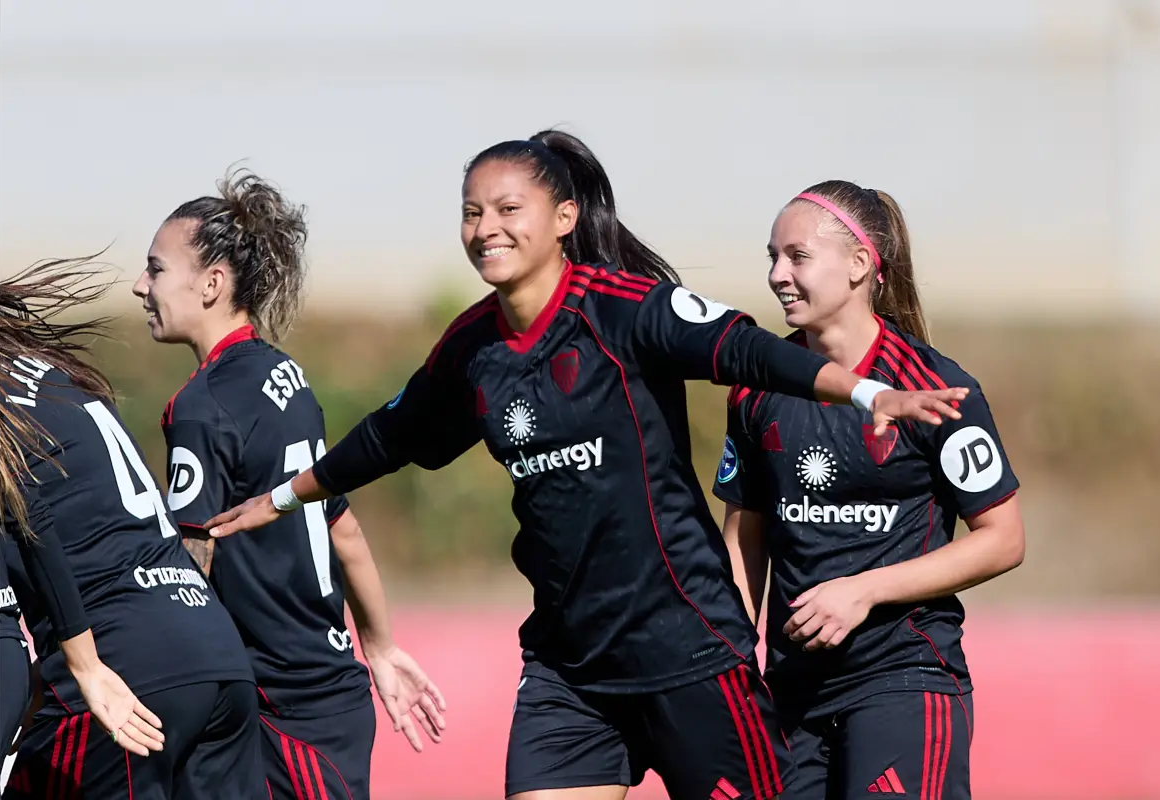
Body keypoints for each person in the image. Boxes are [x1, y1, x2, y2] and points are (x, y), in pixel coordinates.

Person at [205, 131, 969, 800]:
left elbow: (749, 349)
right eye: (472, 212)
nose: (486, 229)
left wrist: (868, 391)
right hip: (568, 668)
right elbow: (391, 435)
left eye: (509, 210)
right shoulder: (474, 347)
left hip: (689, 652)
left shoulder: (628, 309)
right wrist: (282, 498)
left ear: (564, 219)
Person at [131, 169, 447, 800]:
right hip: (332, 685)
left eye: (156, 269)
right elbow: (342, 526)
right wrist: (378, 648)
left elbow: (191, 560)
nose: (141, 286)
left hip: (283, 704)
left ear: (213, 283)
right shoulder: (285, 375)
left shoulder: (201, 404)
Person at [712, 181, 1026, 799]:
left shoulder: (933, 386)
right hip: (791, 691)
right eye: (772, 257)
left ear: (861, 264)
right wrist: (725, 665)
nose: (778, 274)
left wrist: (862, 592)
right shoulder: (755, 388)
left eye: (797, 256)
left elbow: (1003, 539)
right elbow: (743, 544)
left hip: (904, 679)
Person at [0, 259, 265, 798]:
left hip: (123, 672)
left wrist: (86, 668)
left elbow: (32, 521)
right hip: (215, 652)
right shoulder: (52, 374)